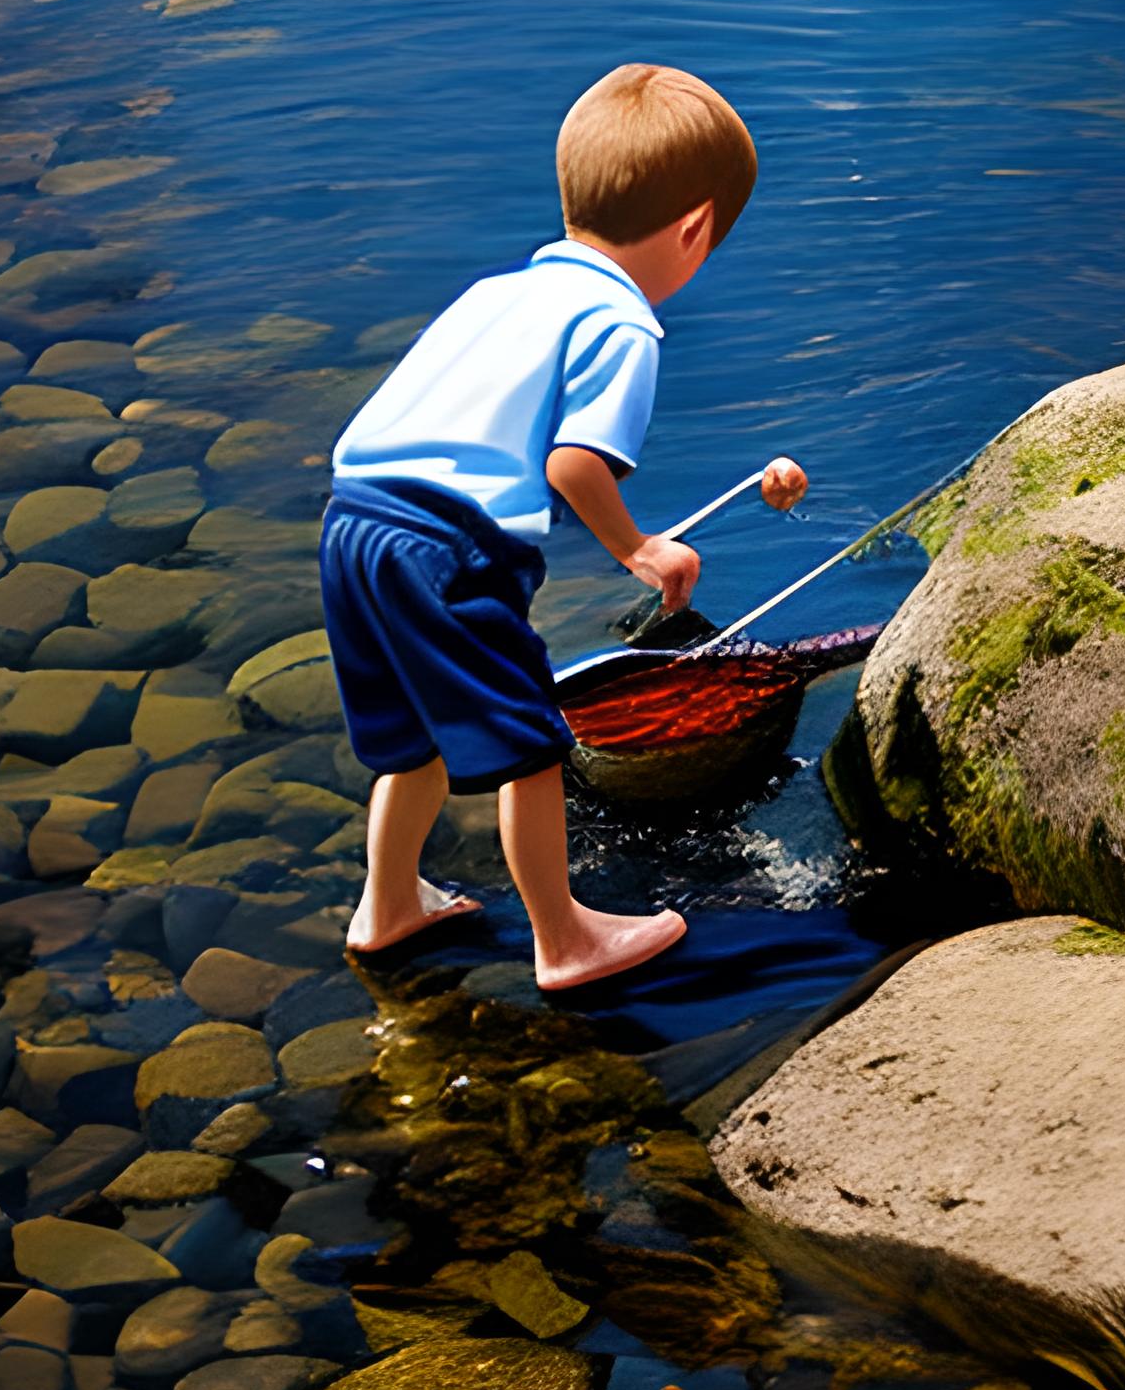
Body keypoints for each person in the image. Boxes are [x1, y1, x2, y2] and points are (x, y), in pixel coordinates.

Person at [320, 60, 807, 985]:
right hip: (446, 547)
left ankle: (387, 905)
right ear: (695, 229)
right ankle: (565, 939)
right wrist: (638, 546)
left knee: (412, 738)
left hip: (354, 521)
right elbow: (572, 462)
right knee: (533, 745)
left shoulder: (495, 292)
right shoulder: (622, 323)